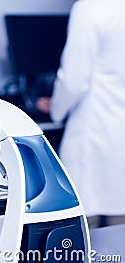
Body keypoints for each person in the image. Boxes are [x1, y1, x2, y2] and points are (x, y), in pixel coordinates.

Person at [49, 0, 125, 228]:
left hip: (96, 138)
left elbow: (73, 81)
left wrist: (55, 111)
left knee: (86, 245)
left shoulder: (91, 8)